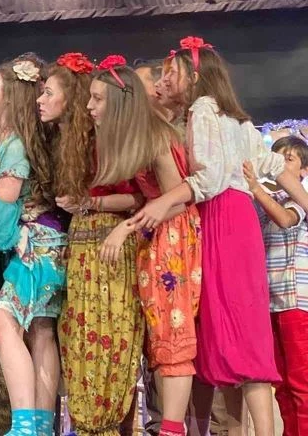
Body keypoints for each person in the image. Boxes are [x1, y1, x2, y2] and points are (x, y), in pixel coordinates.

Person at [132, 37, 308, 435]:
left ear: (194, 78)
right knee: (244, 328)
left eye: (173, 74)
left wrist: (163, 202)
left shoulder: (203, 110)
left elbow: (208, 179)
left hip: (219, 218)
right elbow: (275, 166)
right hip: (241, 221)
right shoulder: (238, 120)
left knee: (226, 329)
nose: (166, 80)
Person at [89, 57, 202, 436]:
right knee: (160, 337)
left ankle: (172, 429)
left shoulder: (153, 134)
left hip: (172, 236)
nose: (89, 106)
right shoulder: (133, 136)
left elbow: (177, 198)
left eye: (97, 99)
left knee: (173, 333)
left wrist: (127, 227)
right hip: (154, 237)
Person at [41, 53, 145, 436]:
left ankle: (100, 422)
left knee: (107, 339)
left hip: (108, 246)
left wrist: (90, 203)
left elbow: (138, 197)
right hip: (81, 248)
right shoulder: (72, 142)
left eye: (49, 92)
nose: (89, 106)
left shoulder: (111, 141)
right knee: (80, 337)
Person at [0, 57, 65, 436]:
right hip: (51, 242)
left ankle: (24, 426)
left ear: (11, 96)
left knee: (3, 324)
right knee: (40, 330)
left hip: (34, 247)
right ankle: (39, 425)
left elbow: (0, 217)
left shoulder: (13, 144)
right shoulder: (26, 138)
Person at [245, 135, 308, 435]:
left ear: (304, 170)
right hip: (270, 304)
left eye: (288, 160)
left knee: (302, 385)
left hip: (297, 304)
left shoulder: (302, 196)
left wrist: (255, 188)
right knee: (281, 385)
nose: (279, 165)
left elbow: (285, 219)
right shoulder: (265, 199)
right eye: (275, 158)